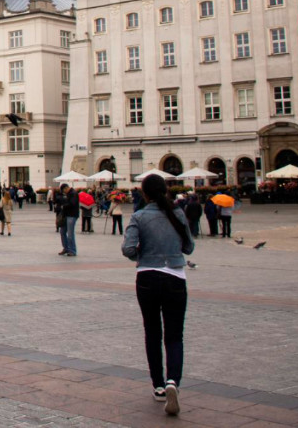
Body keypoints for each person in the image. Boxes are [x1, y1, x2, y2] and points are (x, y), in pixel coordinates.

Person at [123, 173, 195, 416]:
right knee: (175, 335)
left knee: (152, 332)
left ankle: (159, 386)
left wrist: (142, 256)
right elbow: (189, 247)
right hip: (175, 277)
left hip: (147, 278)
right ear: (165, 191)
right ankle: (174, 380)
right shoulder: (177, 213)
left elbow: (128, 248)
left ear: (144, 193)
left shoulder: (139, 216)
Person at [59, 184, 79, 256]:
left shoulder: (73, 193)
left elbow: (72, 203)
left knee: (70, 234)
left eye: (64, 191)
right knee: (62, 231)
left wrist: (63, 205)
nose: (64, 193)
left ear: (66, 188)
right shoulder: (69, 194)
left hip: (72, 215)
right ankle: (66, 248)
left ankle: (72, 250)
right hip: (66, 215)